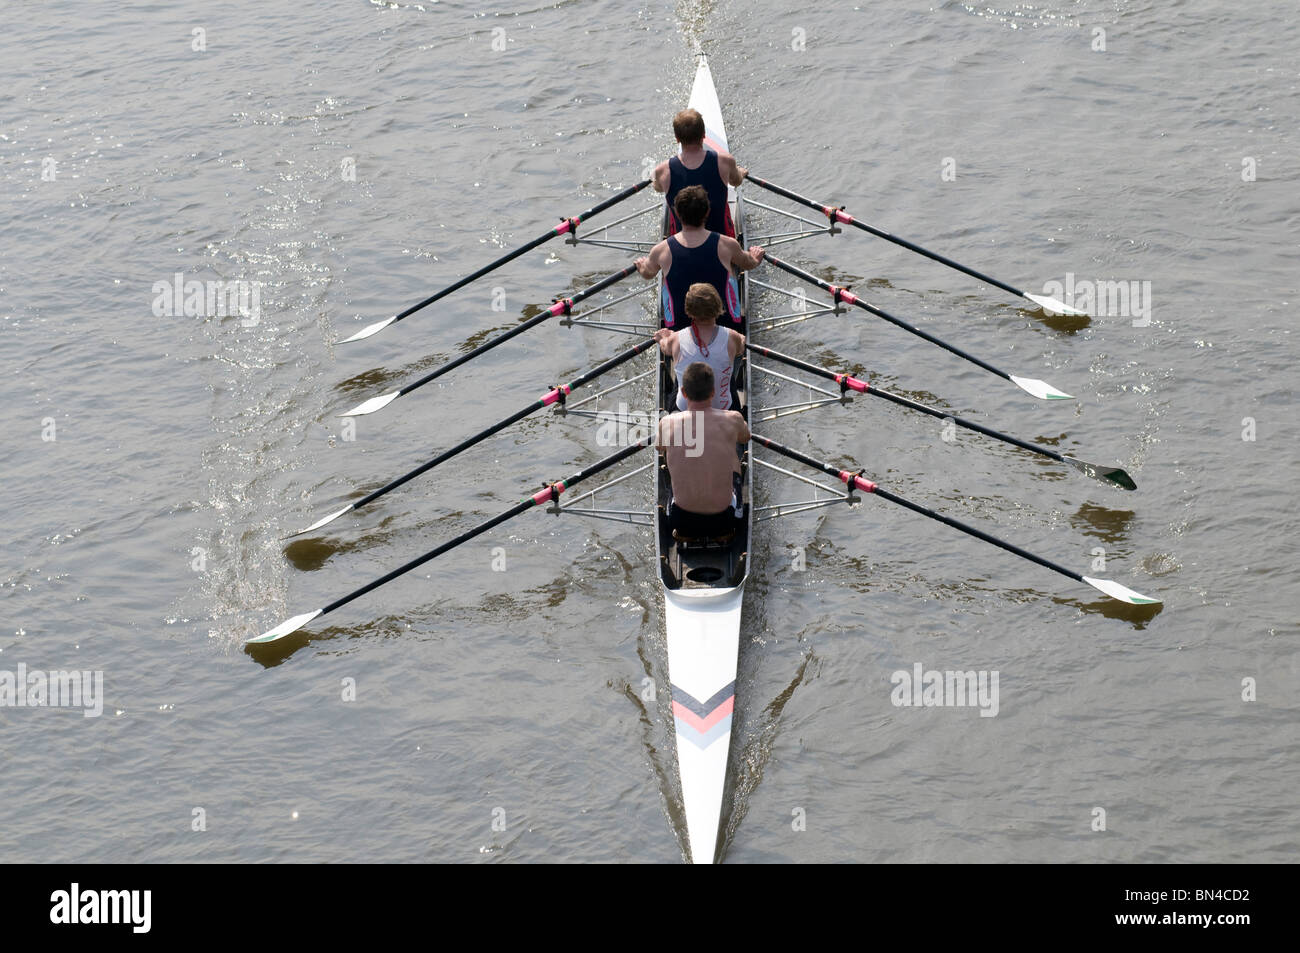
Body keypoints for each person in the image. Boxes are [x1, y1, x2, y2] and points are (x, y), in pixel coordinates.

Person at [636, 186, 763, 330]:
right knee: (731, 272)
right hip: (725, 323)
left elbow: (648, 273)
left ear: (676, 213)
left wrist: (642, 266)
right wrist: (755, 256)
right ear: (707, 212)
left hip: (678, 328)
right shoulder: (727, 244)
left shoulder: (661, 250)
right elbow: (748, 264)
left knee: (664, 278)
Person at [657, 362, 750, 539]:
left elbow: (659, 447)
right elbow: (745, 438)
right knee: (733, 458)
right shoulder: (733, 419)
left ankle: (684, 533)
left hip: (682, 521)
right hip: (724, 520)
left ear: (683, 393)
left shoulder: (667, 423)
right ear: (713, 392)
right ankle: (725, 532)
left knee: (671, 457)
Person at [653, 108, 747, 236]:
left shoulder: (662, 170)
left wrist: (654, 179)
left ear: (677, 139)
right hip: (722, 239)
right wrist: (741, 172)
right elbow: (736, 181)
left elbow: (657, 188)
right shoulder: (725, 161)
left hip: (682, 245)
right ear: (703, 135)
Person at [654, 283, 745, 412]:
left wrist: (662, 337)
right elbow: (741, 346)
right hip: (724, 409)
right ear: (718, 305)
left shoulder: (675, 340)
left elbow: (665, 347)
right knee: (730, 362)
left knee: (680, 370)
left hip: (684, 409)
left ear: (688, 311)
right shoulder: (732, 337)